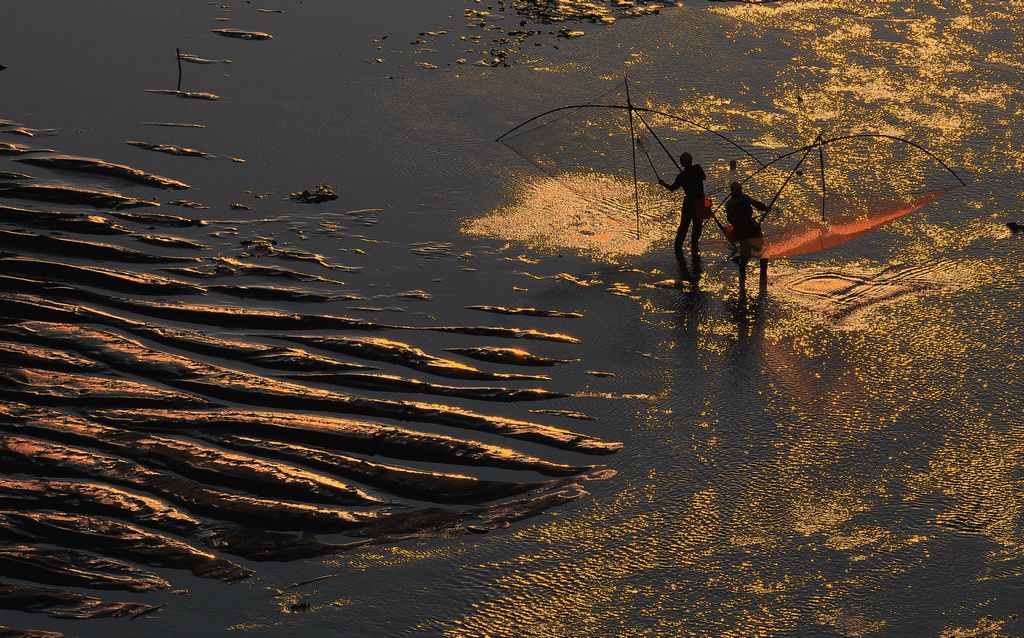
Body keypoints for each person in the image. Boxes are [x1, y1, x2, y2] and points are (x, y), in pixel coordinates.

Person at [658, 152, 706, 258]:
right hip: (700, 201)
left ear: (682, 163)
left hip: (689, 203)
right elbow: (704, 177)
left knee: (684, 225)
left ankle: (678, 247)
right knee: (697, 226)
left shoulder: (681, 176)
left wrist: (663, 183)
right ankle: (694, 245)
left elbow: (672, 188)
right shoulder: (697, 168)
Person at [725, 181, 769, 269]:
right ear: (733, 191)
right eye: (737, 190)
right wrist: (741, 221)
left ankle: (744, 264)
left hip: (751, 227)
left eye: (740, 190)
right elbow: (730, 218)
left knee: (759, 249)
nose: (739, 191)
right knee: (746, 252)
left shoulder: (745, 197)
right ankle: (741, 266)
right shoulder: (730, 203)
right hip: (741, 229)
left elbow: (756, 204)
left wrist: (765, 208)